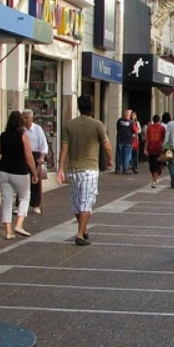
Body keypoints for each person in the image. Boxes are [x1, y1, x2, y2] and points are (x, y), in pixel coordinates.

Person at [57, 95, 112, 246]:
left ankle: (84, 228)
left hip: (73, 169)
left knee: (77, 202)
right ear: (91, 107)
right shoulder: (97, 124)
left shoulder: (69, 125)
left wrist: (60, 168)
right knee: (87, 202)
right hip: (90, 168)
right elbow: (106, 145)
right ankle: (80, 234)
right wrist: (110, 159)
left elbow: (64, 148)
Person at [0, 111, 38, 240]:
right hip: (19, 171)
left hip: (3, 171)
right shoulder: (23, 136)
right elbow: (29, 157)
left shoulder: (3, 136)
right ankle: (19, 224)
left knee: (6, 200)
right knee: (25, 197)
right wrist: (34, 172)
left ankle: (8, 231)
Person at [23, 109, 49, 215]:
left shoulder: (38, 129)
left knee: (36, 181)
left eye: (26, 118)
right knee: (23, 181)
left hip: (35, 155)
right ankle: (21, 205)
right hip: (23, 155)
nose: (24, 120)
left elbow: (44, 145)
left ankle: (35, 205)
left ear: (31, 118)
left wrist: (42, 157)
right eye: (23, 117)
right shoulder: (21, 130)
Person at [145, 114, 166, 188]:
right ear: (159, 120)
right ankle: (155, 180)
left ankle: (154, 180)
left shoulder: (149, 128)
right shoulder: (162, 128)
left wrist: (145, 149)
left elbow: (147, 139)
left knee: (152, 165)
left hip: (151, 149)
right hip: (159, 149)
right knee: (157, 165)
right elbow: (164, 139)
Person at [115, 109, 135, 175]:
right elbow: (136, 130)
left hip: (120, 140)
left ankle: (118, 169)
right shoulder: (131, 122)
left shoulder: (119, 120)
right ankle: (125, 170)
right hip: (128, 141)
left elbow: (117, 128)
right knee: (126, 156)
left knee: (119, 156)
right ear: (129, 115)